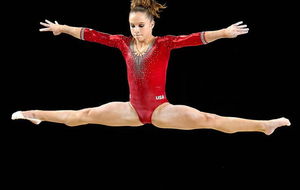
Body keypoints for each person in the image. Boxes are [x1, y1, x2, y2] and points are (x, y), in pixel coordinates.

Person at [12, 0, 290, 135]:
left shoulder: (164, 44)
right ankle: (33, 114)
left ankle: (264, 126)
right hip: (131, 110)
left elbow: (194, 38)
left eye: (141, 25)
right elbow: (92, 34)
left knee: (209, 120)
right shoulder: (123, 43)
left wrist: (224, 33)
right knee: (81, 115)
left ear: (152, 25)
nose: (135, 30)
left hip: (161, 110)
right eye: (132, 25)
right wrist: (62, 28)